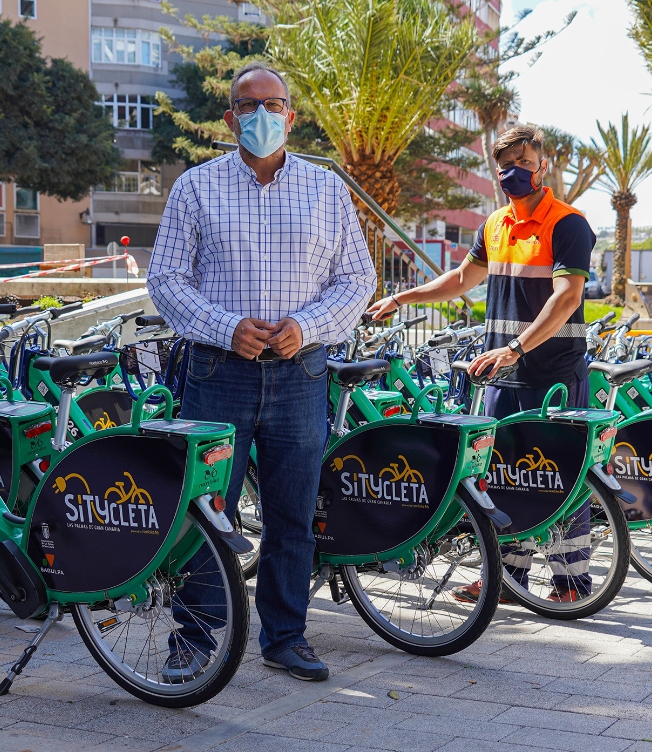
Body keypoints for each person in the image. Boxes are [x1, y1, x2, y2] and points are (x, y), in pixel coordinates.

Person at [148, 61, 376, 682]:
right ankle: (195, 638)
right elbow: (166, 278)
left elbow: (357, 279)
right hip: (217, 371)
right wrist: (226, 327)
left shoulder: (327, 190)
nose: (262, 116)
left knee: (292, 515)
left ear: (291, 117)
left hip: (301, 373)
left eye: (273, 105)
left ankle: (286, 637)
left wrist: (309, 324)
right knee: (206, 510)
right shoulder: (196, 187)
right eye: (249, 106)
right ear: (230, 118)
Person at [367, 125, 595, 603]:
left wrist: (516, 348)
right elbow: (459, 280)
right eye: (506, 166)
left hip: (552, 373)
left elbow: (567, 297)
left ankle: (572, 584)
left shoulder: (567, 223)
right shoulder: (494, 225)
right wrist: (402, 297)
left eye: (524, 164)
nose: (515, 173)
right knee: (502, 475)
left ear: (543, 167)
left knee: (559, 475)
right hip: (503, 375)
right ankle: (510, 580)